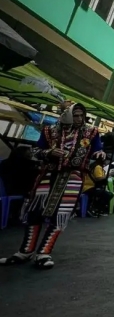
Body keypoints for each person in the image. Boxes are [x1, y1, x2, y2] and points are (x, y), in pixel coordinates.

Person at [0, 103, 103, 269]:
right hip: (48, 174)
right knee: (34, 212)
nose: (78, 119)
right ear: (64, 115)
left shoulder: (91, 133)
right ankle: (25, 251)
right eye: (75, 115)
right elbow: (36, 151)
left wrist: (100, 153)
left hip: (73, 177)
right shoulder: (49, 131)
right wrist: (49, 152)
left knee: (60, 215)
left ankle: (44, 252)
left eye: (80, 115)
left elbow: (98, 149)